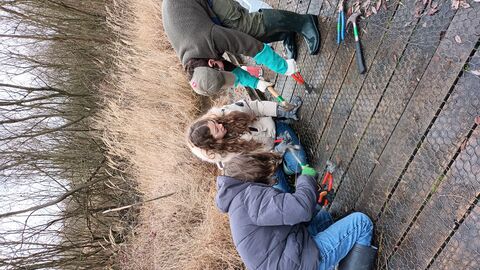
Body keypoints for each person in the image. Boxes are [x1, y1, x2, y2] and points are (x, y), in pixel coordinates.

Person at [215, 160, 378, 270]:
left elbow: (287, 219)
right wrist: (305, 177)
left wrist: (317, 203)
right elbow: (301, 209)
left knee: (325, 217)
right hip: (297, 264)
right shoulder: (249, 198)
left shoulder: (239, 203)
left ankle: (338, 259)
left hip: (287, 254)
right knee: (361, 223)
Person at [162, 0, 321, 96]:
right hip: (193, 10)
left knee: (247, 27)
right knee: (247, 36)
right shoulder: (195, 67)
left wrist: (283, 67)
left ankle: (304, 22)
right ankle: (285, 33)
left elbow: (249, 46)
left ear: (211, 63)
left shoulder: (207, 40)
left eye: (218, 68)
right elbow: (226, 70)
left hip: (201, 5)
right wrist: (256, 84)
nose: (222, 69)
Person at [186, 97, 306, 192]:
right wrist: (278, 152)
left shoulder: (224, 114)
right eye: (216, 130)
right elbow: (258, 166)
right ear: (213, 143)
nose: (220, 125)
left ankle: (287, 167)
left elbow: (255, 107)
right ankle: (283, 167)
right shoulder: (229, 162)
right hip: (269, 164)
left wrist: (281, 111)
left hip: (275, 132)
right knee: (282, 193)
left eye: (214, 123)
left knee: (299, 164)